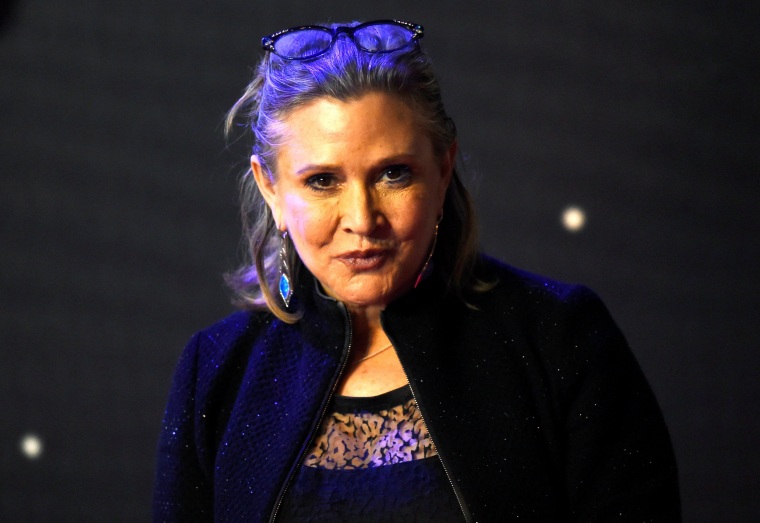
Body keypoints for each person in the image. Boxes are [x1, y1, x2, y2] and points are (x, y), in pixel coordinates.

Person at [153, 19, 680, 521]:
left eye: (393, 174)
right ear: (270, 188)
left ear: (443, 169)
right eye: (322, 181)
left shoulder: (561, 338)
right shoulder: (217, 370)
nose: (362, 219)